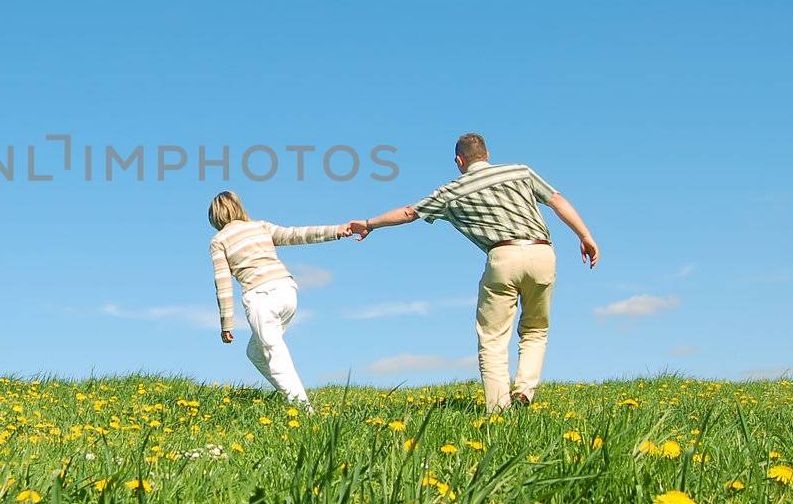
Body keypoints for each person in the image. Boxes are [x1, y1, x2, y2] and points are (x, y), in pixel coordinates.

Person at [346, 133, 599, 411]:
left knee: (492, 339)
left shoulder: (450, 191)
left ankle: (498, 409)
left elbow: (409, 213)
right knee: (535, 329)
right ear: (487, 154)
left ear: (459, 160)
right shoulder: (520, 171)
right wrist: (585, 235)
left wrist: (370, 223)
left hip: (502, 257)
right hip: (542, 253)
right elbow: (557, 200)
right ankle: (524, 391)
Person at [209, 190, 347, 408]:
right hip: (287, 291)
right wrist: (337, 231)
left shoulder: (219, 240)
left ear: (215, 217)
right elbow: (296, 234)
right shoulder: (260, 226)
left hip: (261, 297)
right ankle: (291, 394)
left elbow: (223, 283)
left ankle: (303, 409)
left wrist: (226, 323)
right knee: (255, 352)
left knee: (274, 354)